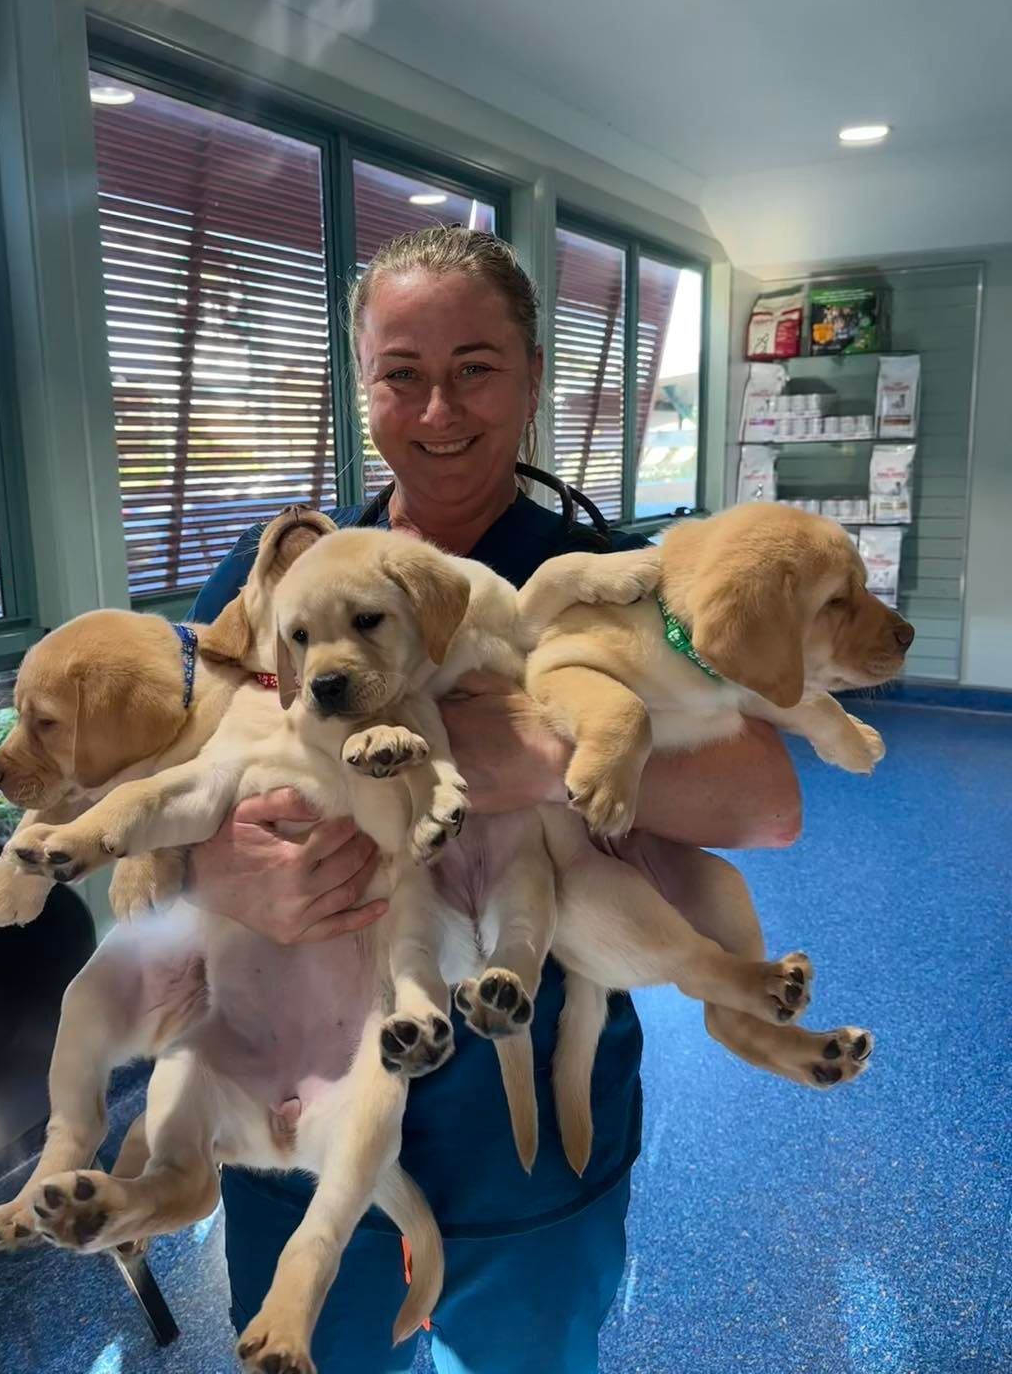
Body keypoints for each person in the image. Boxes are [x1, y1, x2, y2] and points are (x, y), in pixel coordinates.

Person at [187, 228, 800, 1373]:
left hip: (528, 1164)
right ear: (361, 384)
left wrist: (543, 750)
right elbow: (161, 778)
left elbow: (768, 801)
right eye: (399, 373)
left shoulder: (616, 574)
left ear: (531, 380)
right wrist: (210, 868)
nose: (435, 411)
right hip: (299, 1115)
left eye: (475, 367)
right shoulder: (288, 572)